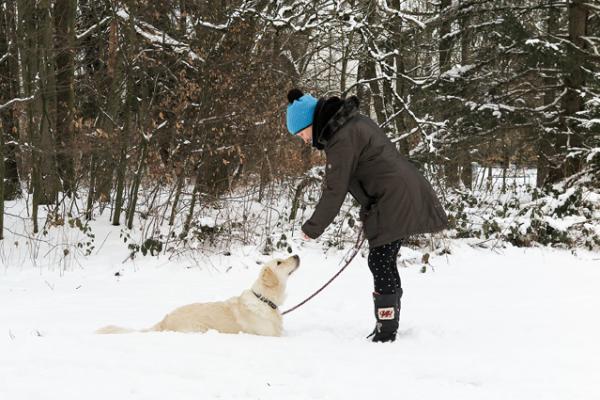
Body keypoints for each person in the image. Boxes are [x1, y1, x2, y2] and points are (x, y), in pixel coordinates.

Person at [285, 88, 448, 343]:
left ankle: (386, 330)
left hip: (393, 197)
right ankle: (388, 323)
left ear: (309, 123)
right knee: (384, 260)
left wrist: (313, 227)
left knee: (381, 260)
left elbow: (334, 189)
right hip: (394, 194)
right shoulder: (347, 125)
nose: (304, 140)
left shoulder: (341, 137)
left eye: (301, 133)